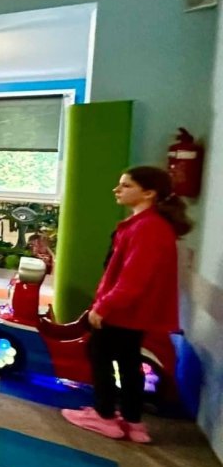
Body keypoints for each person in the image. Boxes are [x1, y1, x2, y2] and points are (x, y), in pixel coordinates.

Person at [61, 166, 192, 443]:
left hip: (124, 312)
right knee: (129, 363)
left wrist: (104, 306)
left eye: (126, 185)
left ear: (149, 193)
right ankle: (132, 421)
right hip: (133, 313)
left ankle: (105, 416)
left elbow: (134, 279)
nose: (117, 190)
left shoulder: (148, 228)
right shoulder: (147, 225)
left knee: (101, 359)